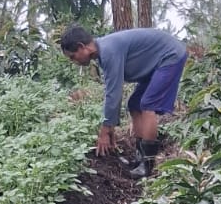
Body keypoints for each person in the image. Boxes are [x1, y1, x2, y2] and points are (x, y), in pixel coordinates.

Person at [59, 24, 190, 178]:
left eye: (73, 57)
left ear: (82, 47)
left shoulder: (108, 51)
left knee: (147, 104)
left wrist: (105, 130)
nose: (74, 61)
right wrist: (110, 126)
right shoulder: (104, 52)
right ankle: (140, 158)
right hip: (158, 62)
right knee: (134, 104)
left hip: (170, 56)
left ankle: (148, 165)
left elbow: (113, 93)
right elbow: (113, 92)